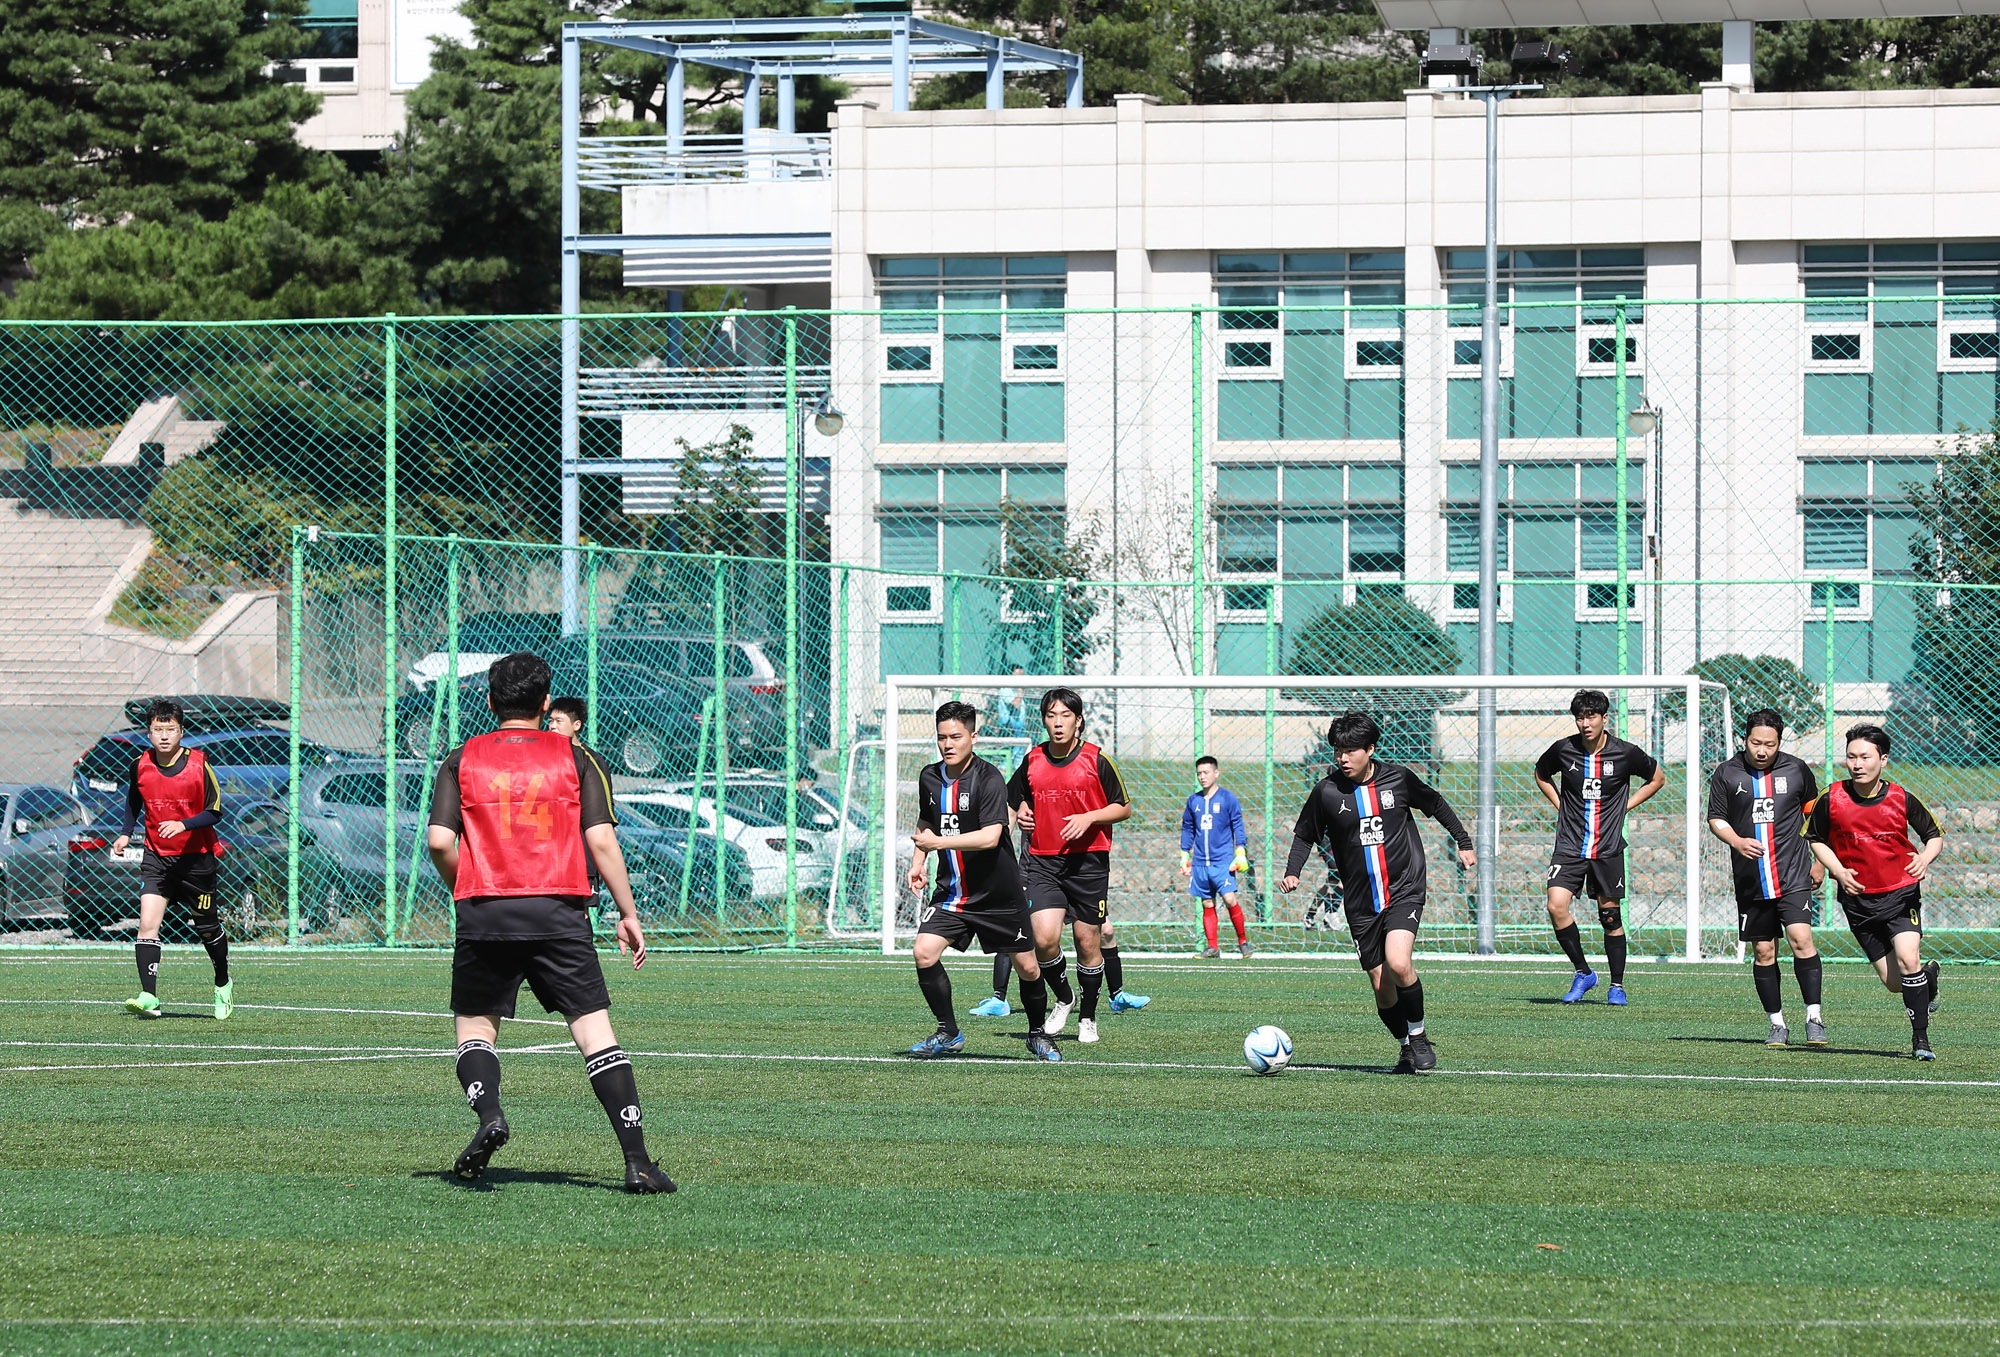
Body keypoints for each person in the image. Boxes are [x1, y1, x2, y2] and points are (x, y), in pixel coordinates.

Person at [425, 651, 675, 1192]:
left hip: (485, 911)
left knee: (474, 1032)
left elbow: (439, 842)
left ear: (490, 702)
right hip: (559, 912)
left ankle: (490, 1114)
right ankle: (637, 1162)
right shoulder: (577, 757)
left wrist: (465, 888)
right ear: (545, 703)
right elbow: (601, 839)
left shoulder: (460, 757)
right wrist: (628, 912)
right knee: (595, 1036)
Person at [1281, 711, 1474, 1073]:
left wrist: (1463, 842)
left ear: (1370, 749)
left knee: (1399, 963)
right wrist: (1293, 872)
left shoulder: (1398, 779)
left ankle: (1418, 1036)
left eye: (1351, 750)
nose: (1342, 758)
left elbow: (1435, 804)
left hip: (1404, 887)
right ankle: (1405, 1047)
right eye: (1338, 750)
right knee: (1382, 987)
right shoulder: (1326, 791)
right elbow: (1305, 834)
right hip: (1360, 901)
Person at [905, 701, 1061, 1062]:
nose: (948, 744)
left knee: (1027, 966)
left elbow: (991, 836)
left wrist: (937, 844)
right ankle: (948, 1032)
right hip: (953, 892)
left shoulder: (988, 778)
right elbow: (926, 821)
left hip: (998, 895)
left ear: (973, 737)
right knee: (923, 952)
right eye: (942, 737)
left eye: (956, 736)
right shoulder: (929, 776)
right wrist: (919, 861)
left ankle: (1038, 1034)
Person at [1807, 723, 1944, 1061]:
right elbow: (1815, 839)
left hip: (1901, 894)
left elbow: (1934, 835)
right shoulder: (1831, 797)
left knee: (1908, 957)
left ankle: (1921, 1041)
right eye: (1851, 756)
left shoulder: (1901, 797)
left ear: (1883, 759)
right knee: (1896, 983)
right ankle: (1928, 979)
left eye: (1865, 757)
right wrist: (1838, 870)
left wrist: (1924, 858)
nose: (1857, 763)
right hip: (1858, 901)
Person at [1007, 688, 1133, 1045]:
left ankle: (1089, 1017)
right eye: (1051, 715)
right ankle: (1064, 998)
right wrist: (1020, 810)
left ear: (1078, 721)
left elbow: (1123, 807)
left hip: (1089, 863)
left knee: (1086, 940)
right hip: (1044, 862)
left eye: (1065, 715)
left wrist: (1089, 818)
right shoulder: (1032, 760)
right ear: (1044, 720)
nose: (1058, 722)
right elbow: (1013, 796)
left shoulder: (1097, 759)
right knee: (1044, 939)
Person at [1533, 689, 1666, 1006]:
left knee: (1609, 917)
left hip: (1606, 847)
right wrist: (1561, 805)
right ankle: (1583, 972)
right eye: (1580, 717)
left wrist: (1625, 807)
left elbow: (1657, 778)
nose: (1585, 723)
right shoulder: (1564, 749)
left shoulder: (1626, 753)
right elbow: (1541, 773)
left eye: (1591, 716)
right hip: (1569, 844)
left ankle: (1617, 985)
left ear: (1605, 719)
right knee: (1556, 905)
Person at [1705, 709, 1826, 1046]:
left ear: (1779, 743)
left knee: (1801, 939)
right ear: (1744, 739)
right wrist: (1737, 841)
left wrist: (1820, 862)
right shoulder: (1727, 773)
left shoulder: (1797, 769)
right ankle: (1777, 1024)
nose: (1761, 750)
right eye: (1755, 742)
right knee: (1763, 951)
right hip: (1752, 880)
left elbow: (1814, 817)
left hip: (1793, 873)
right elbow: (1716, 818)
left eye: (1769, 745)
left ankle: (1814, 1017)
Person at [115, 698, 231, 1020]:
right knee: (147, 925)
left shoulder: (199, 764)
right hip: (157, 857)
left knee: (207, 929)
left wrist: (183, 824)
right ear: (148, 733)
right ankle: (149, 997)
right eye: (157, 730)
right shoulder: (140, 765)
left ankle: (222, 981)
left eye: (170, 729)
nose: (164, 736)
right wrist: (126, 832)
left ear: (181, 732)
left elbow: (215, 811)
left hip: (197, 860)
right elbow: (133, 801)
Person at [1182, 755, 1252, 958]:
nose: (1202, 777)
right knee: (1207, 902)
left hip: (1223, 860)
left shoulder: (1227, 798)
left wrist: (1240, 852)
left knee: (1230, 899)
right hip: (1200, 862)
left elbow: (1238, 825)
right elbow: (1187, 828)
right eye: (1199, 773)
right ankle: (1212, 947)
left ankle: (1243, 942)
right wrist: (1184, 854)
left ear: (1216, 773)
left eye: (1206, 772)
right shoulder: (1193, 800)